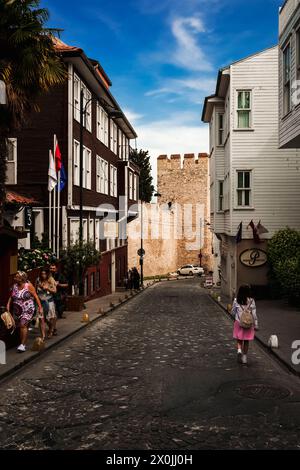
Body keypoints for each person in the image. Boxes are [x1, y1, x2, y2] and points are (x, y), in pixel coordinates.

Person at [6, 271, 43, 353]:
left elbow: (36, 296)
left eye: (16, 276)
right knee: (21, 326)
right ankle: (23, 343)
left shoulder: (28, 286)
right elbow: (11, 297)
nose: (15, 278)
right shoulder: (15, 286)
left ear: (22, 278)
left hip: (28, 309)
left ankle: (22, 345)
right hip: (18, 310)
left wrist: (40, 308)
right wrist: (8, 305)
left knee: (23, 325)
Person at [232, 284, 258, 365]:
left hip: (238, 322)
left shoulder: (236, 300)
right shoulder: (251, 301)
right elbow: (254, 314)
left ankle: (239, 350)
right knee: (246, 341)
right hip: (248, 324)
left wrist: (237, 315)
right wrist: (256, 324)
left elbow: (233, 312)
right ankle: (244, 358)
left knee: (239, 339)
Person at [36, 268, 57, 339]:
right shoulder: (38, 280)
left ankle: (51, 329)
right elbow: (35, 290)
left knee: (49, 318)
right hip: (40, 302)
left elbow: (54, 291)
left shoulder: (51, 279)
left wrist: (47, 288)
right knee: (41, 318)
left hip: (49, 301)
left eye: (44, 274)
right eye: (42, 274)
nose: (43, 275)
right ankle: (43, 335)